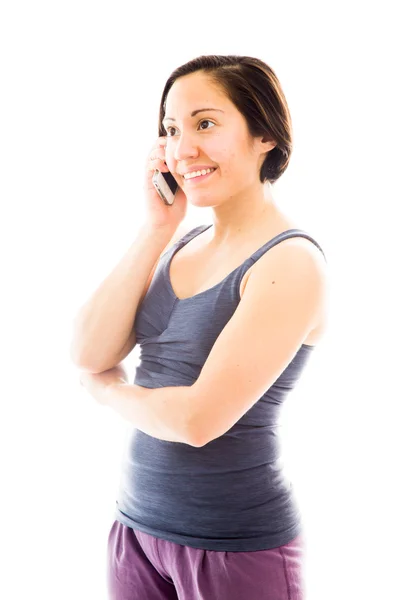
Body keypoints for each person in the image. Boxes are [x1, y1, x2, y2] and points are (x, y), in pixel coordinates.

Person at [80, 54, 328, 599]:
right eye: (170, 128)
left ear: (264, 134)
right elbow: (88, 349)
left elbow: (197, 420)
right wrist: (156, 228)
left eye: (205, 123)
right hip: (137, 530)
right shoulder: (184, 244)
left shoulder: (289, 262)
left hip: (235, 547)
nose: (182, 146)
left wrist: (109, 392)